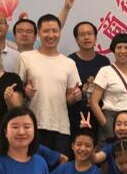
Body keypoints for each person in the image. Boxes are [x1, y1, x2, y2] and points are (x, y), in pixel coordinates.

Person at [17, 14, 82, 154]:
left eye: (55, 31)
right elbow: (17, 90)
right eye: (46, 31)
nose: (51, 35)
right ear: (38, 34)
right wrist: (25, 91)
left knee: (60, 166)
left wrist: (75, 96)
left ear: (60, 33)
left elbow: (69, 99)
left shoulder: (69, 63)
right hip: (32, 125)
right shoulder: (26, 57)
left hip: (60, 127)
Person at [90, 33, 127, 143]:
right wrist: (106, 125)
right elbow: (93, 102)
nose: (123, 51)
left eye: (126, 48)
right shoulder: (105, 71)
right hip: (111, 119)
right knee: (109, 152)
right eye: (119, 47)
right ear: (114, 50)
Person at [68, 21, 110, 141]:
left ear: (95, 37)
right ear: (76, 39)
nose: (86, 37)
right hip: (76, 119)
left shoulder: (104, 62)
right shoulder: (69, 62)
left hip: (99, 119)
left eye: (90, 34)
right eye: (82, 34)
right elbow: (65, 98)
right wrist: (72, 97)